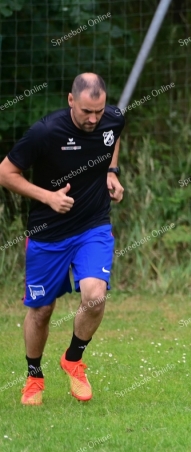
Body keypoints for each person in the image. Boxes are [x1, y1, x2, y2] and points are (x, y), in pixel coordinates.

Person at [0, 73, 125, 404]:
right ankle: (34, 377)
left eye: (98, 112)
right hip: (48, 234)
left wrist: (111, 173)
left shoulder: (112, 119)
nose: (93, 119)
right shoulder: (45, 132)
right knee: (42, 311)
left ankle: (73, 359)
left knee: (95, 295)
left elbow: (114, 139)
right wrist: (47, 197)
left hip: (93, 227)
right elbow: (5, 173)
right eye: (86, 112)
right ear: (71, 101)